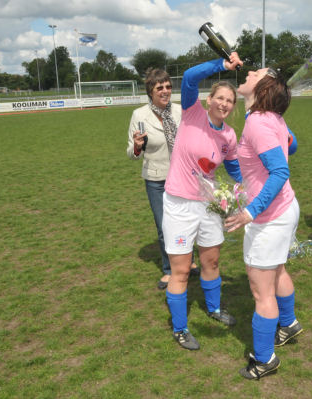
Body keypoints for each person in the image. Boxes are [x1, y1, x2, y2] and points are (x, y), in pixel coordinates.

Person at [224, 67, 301, 380]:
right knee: (278, 269)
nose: (250, 72)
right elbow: (291, 145)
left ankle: (264, 359)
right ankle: (290, 324)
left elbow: (280, 172)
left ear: (264, 88)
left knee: (261, 292)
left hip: (270, 217)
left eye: (256, 73)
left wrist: (250, 211)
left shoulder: (258, 122)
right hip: (284, 209)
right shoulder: (270, 118)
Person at [163, 53, 243, 350]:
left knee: (212, 260)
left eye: (230, 101)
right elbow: (188, 78)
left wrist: (243, 189)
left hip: (208, 205)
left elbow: (234, 168)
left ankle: (213, 308)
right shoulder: (192, 112)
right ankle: (180, 328)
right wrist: (222, 65)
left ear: (233, 107)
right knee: (181, 269)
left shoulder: (230, 136)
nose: (224, 104)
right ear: (210, 99)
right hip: (180, 203)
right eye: (220, 98)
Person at [126, 68, 199, 291]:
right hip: (156, 180)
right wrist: (137, 147)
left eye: (168, 86)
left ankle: (189, 260)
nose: (165, 91)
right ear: (151, 91)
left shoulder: (179, 110)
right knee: (163, 225)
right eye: (160, 88)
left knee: (187, 222)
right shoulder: (140, 115)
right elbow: (130, 152)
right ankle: (169, 269)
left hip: (184, 178)